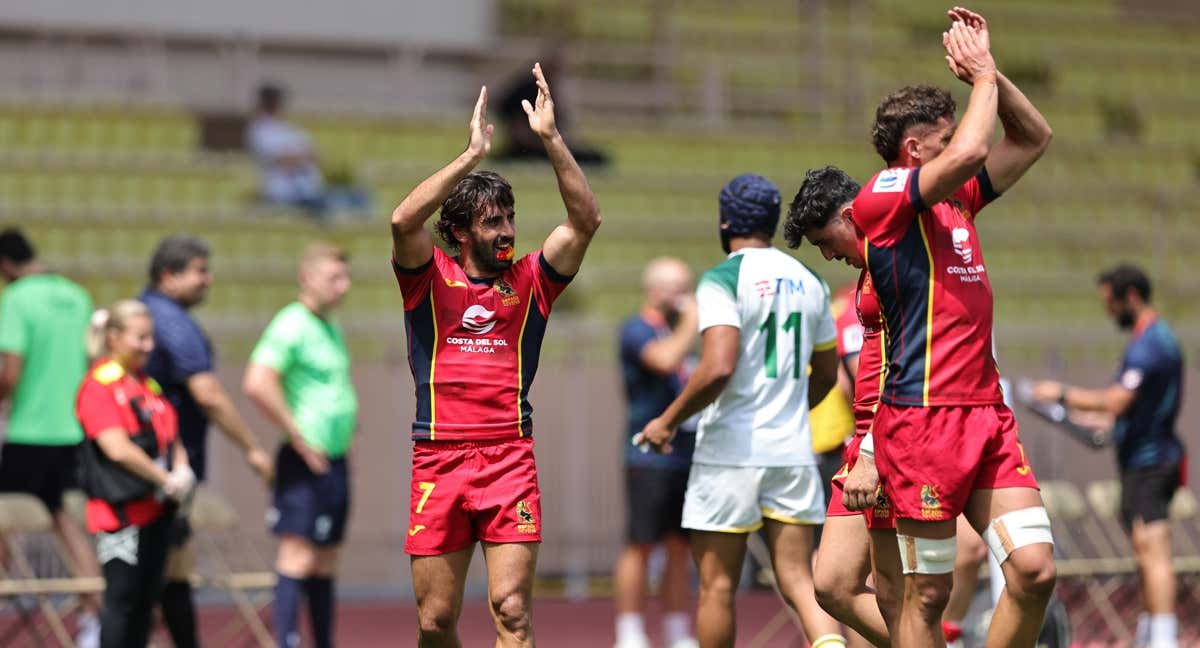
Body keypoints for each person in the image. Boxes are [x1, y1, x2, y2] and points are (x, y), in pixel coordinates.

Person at [844, 8, 1056, 646]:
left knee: (1034, 572)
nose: (964, 144)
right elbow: (971, 147)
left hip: (987, 414)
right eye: (943, 138)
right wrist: (981, 81)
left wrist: (990, 76)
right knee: (927, 596)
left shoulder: (958, 197)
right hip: (923, 421)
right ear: (914, 151)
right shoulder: (880, 198)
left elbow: (1034, 136)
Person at [392, 63, 600, 646]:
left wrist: (553, 139)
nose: (506, 229)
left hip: (509, 457)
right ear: (460, 233)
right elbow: (403, 218)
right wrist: (471, 155)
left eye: (509, 218)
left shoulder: (532, 278)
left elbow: (586, 219)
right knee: (435, 622)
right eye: (492, 221)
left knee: (511, 609)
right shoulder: (426, 278)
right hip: (439, 458)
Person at [785, 166, 996, 648]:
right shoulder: (866, 275)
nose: (828, 254)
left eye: (826, 240)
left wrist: (872, 452)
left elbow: (911, 366)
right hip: (865, 441)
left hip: (899, 439)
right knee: (834, 585)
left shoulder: (900, 265)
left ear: (848, 214)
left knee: (914, 585)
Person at [636, 173, 843, 648]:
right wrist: (793, 408)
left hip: (730, 452)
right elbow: (828, 374)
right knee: (799, 579)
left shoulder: (723, 278)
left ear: (725, 219)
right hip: (792, 452)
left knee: (717, 585)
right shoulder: (809, 281)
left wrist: (666, 421)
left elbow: (717, 367)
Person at [1031, 264, 1185, 648]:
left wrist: (1061, 394)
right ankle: (1151, 633)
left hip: (1153, 462)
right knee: (1143, 549)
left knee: (1154, 549)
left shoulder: (1151, 343)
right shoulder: (1147, 340)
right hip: (1139, 460)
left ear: (1130, 295)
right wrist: (1090, 418)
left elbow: (1119, 399)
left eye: (1111, 303)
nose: (1110, 312)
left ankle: (1163, 639)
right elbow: (1128, 408)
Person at [140, 235, 273, 648]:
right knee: (152, 571)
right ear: (169, 275)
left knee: (173, 568)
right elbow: (209, 394)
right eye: (199, 270)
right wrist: (252, 448)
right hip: (161, 468)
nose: (208, 279)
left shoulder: (146, 311)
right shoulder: (170, 321)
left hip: (154, 465)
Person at [244, 242, 358, 648]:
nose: (343, 287)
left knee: (326, 559)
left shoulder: (329, 325)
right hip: (304, 460)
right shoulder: (291, 324)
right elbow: (258, 381)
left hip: (333, 459)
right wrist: (297, 435)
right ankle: (287, 641)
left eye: (346, 278)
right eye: (334, 278)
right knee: (298, 555)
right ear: (306, 278)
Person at [0, 228, 102, 647]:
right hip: (74, 431)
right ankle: (93, 626)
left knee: (4, 524)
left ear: (5, 265)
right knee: (69, 525)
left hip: (31, 429)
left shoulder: (17, 298)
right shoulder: (77, 297)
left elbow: (11, 371)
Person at [76, 300, 196, 648]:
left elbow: (169, 436)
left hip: (156, 512)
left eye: (151, 337)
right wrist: (165, 479)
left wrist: (182, 468)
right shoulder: (99, 386)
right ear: (113, 338)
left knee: (147, 601)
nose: (149, 346)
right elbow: (116, 447)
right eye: (140, 338)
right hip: (120, 515)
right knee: (122, 600)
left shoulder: (147, 385)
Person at [614, 257, 699, 648]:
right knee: (641, 545)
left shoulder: (676, 331)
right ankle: (630, 631)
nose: (684, 296)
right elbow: (665, 361)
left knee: (680, 547)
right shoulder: (637, 330)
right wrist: (692, 321)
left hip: (684, 455)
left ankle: (677, 630)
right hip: (648, 457)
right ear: (656, 290)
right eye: (678, 287)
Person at [247, 82, 369, 217]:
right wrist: (303, 156)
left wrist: (302, 156)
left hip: (310, 190)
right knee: (326, 208)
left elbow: (317, 156)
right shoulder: (260, 130)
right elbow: (278, 158)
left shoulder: (290, 130)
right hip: (283, 193)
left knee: (359, 196)